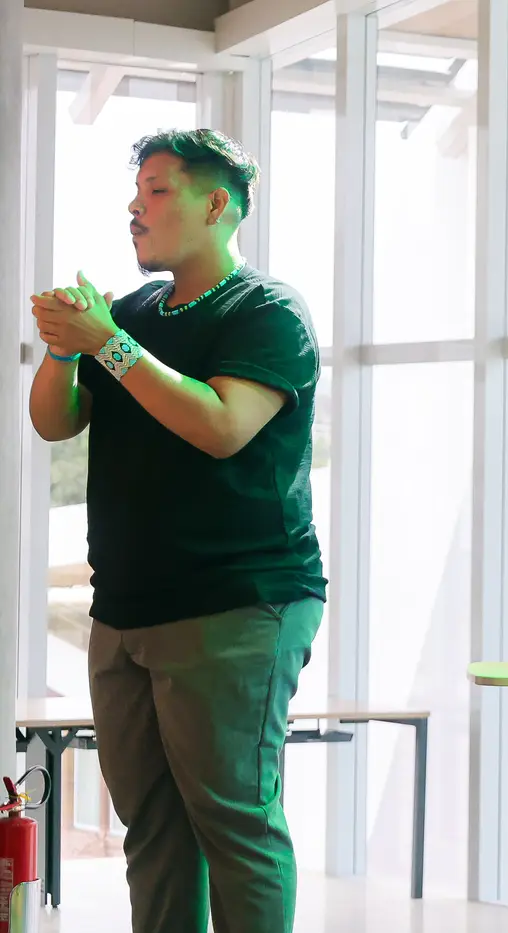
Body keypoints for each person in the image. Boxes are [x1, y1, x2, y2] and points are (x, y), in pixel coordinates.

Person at [27, 129, 324, 933]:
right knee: (152, 829)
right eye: (137, 191)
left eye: (157, 190)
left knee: (235, 825)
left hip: (238, 601)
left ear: (217, 204)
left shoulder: (266, 311)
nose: (135, 207)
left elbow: (222, 426)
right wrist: (65, 349)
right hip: (125, 607)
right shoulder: (130, 314)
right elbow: (55, 421)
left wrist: (108, 343)